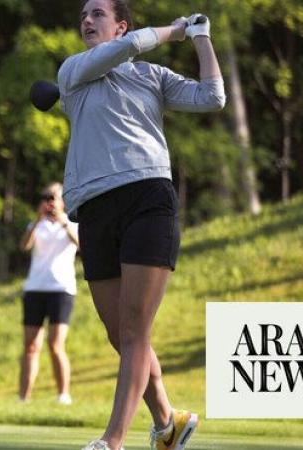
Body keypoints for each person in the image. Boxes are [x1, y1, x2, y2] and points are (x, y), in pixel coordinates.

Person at [57, 1, 225, 449]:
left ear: (120, 23)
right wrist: (176, 31)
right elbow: (131, 46)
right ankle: (169, 422)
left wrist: (202, 37)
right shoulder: (74, 72)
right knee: (120, 335)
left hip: (148, 197)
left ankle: (112, 441)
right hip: (94, 208)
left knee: (135, 332)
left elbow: (213, 97)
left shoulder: (152, 77)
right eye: (84, 16)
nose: (87, 21)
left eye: (98, 14)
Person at [19, 182, 79, 405]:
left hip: (61, 290)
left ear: (63, 200)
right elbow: (24, 246)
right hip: (35, 288)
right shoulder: (37, 224)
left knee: (55, 344)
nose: (51, 202)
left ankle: (63, 395)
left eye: (54, 197)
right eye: (47, 197)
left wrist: (63, 222)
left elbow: (80, 244)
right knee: (31, 346)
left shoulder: (72, 222)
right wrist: (37, 220)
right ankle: (23, 398)